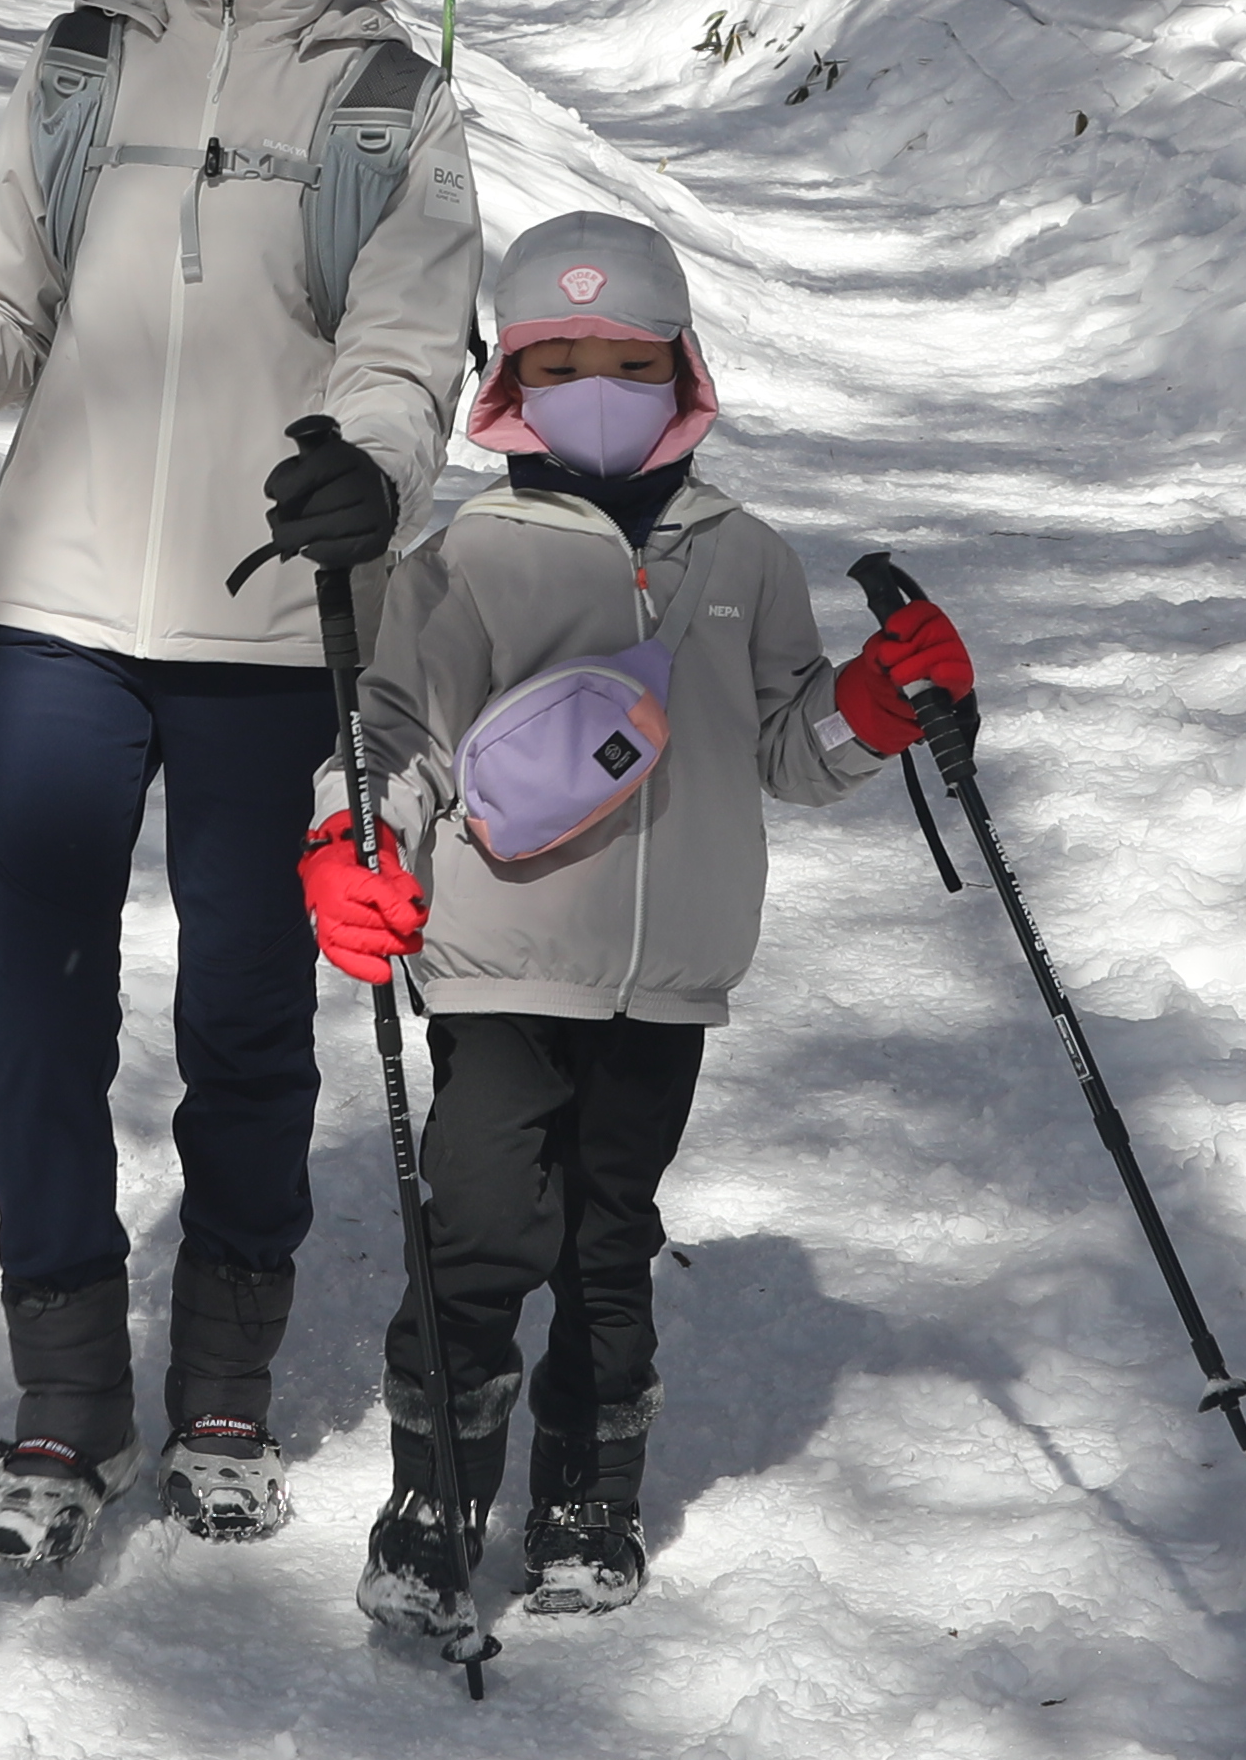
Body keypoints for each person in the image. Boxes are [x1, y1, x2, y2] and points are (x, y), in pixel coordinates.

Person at [0, 0, 483, 1565]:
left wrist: (372, 470)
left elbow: (406, 351)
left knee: (242, 1006)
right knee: (30, 1010)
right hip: (50, 603)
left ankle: (223, 1371)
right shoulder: (75, 71)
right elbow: (4, 319)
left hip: (266, 624)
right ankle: (64, 1392)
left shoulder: (388, 104)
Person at [299, 209, 972, 1628]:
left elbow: (789, 749)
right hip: (497, 957)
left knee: (609, 1235)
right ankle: (433, 1496)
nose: (595, 387)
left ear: (684, 371)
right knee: (479, 1225)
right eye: (559, 362)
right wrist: (349, 836)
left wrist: (872, 706)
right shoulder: (464, 553)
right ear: (509, 385)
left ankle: (585, 1501)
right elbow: (394, 732)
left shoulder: (749, 555)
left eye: (628, 358)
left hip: (668, 980)